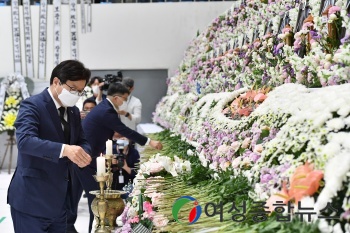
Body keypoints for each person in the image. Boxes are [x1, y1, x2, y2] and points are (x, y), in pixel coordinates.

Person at [7, 60, 92, 233]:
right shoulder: (32, 105)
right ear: (56, 82)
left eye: (80, 91)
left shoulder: (73, 111)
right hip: (32, 200)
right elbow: (25, 141)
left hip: (61, 201)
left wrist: (84, 154)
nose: (76, 94)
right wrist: (65, 150)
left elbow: (82, 141)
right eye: (73, 89)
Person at [79, 82, 163, 233]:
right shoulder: (107, 111)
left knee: (99, 200)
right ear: (116, 98)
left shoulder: (105, 107)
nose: (124, 102)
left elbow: (113, 130)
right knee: (98, 202)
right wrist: (150, 142)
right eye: (124, 98)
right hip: (86, 159)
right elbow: (124, 129)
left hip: (89, 156)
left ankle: (99, 228)